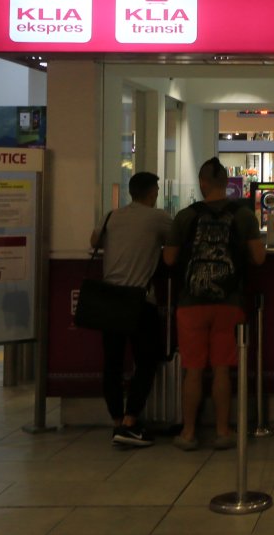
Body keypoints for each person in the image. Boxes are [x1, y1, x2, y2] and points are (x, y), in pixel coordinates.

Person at [163, 157, 265, 451]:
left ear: (202, 183)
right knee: (222, 368)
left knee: (193, 370)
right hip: (229, 301)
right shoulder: (244, 215)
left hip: (190, 302)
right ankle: (223, 431)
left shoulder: (185, 216)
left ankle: (189, 433)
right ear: (228, 184)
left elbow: (169, 259)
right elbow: (258, 258)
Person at [89, 171, 172, 448]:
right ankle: (130, 421)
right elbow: (177, 241)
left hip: (110, 298)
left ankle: (116, 420)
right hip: (139, 300)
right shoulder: (157, 217)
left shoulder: (111, 216)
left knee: (111, 364)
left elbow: (94, 241)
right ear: (151, 193)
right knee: (146, 361)